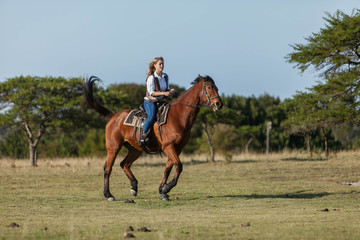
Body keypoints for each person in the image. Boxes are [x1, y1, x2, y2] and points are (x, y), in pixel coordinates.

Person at [141, 57, 175, 145]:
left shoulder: (165, 76)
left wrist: (170, 91)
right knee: (152, 115)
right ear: (154, 65)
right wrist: (164, 93)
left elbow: (166, 88)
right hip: (150, 101)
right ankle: (143, 134)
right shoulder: (151, 78)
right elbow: (151, 93)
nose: (162, 66)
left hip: (160, 101)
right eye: (160, 64)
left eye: (163, 64)